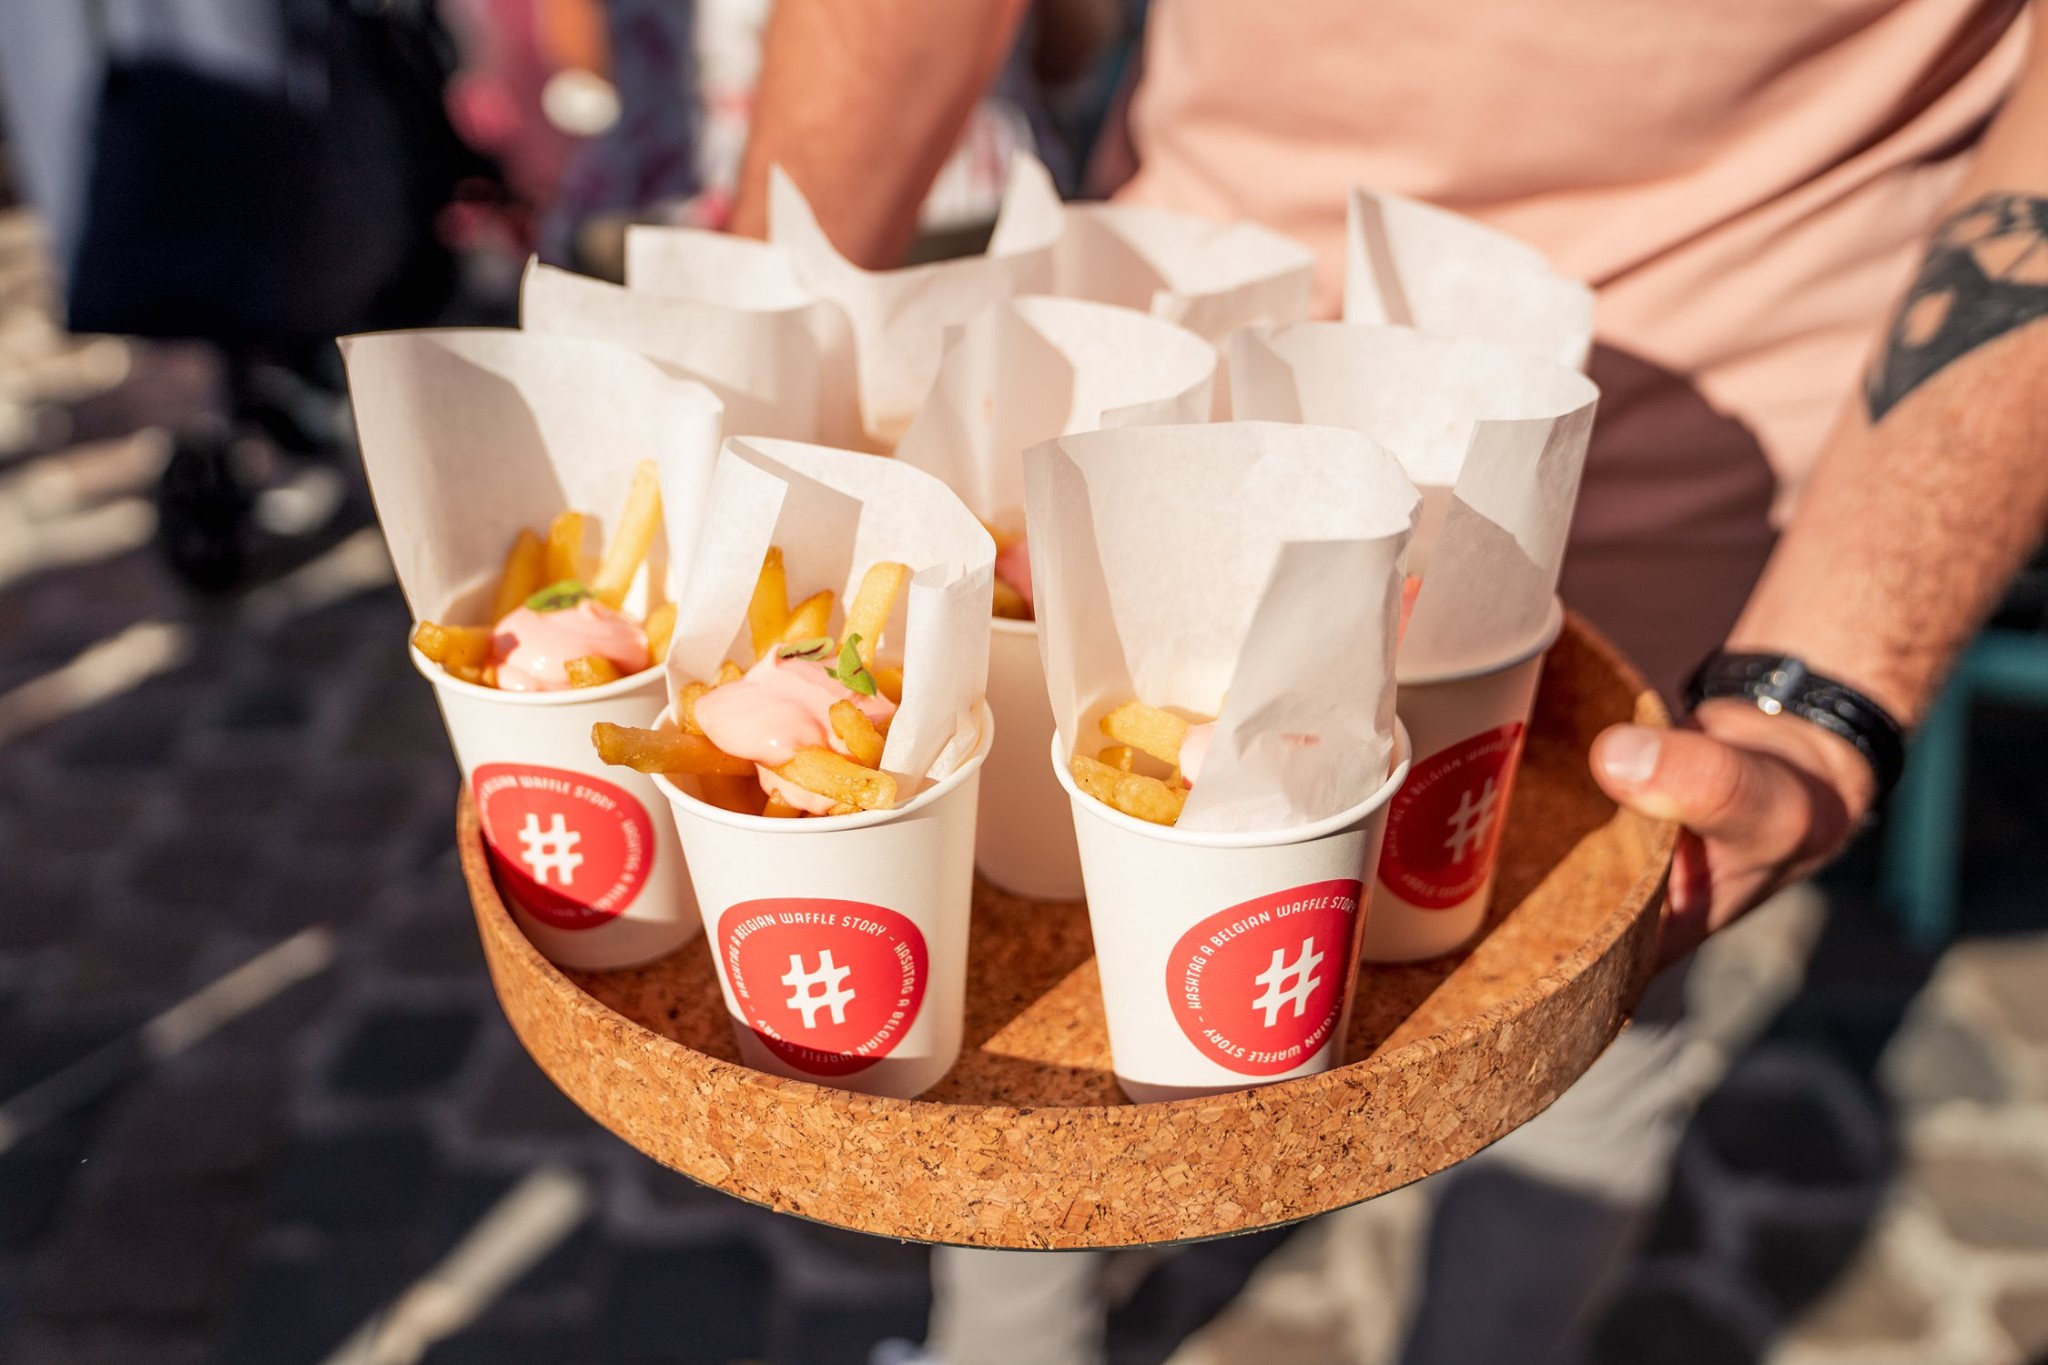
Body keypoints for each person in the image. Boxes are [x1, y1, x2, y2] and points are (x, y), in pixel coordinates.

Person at [725, 1, 2048, 1361]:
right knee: (1054, 953)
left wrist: (1829, 681)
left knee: (1601, 997)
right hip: (1168, 364)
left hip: (1690, 464)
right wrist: (732, 348)